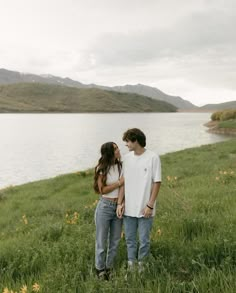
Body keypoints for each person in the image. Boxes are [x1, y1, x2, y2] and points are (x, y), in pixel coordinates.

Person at [116, 128, 161, 272]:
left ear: (136, 140)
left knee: (144, 240)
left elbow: (157, 182)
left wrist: (150, 204)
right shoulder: (126, 159)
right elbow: (123, 183)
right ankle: (131, 266)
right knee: (130, 240)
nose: (126, 144)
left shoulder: (153, 157)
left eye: (128, 141)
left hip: (145, 208)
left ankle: (142, 267)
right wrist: (120, 203)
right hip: (129, 208)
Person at [94, 142, 124, 280]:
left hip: (118, 206)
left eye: (118, 147)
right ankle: (100, 269)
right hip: (105, 207)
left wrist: (121, 203)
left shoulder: (121, 166)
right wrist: (118, 183)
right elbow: (102, 190)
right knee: (101, 240)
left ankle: (109, 267)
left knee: (115, 240)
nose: (118, 150)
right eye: (115, 149)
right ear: (109, 153)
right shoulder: (102, 168)